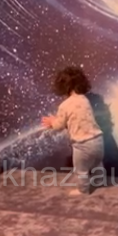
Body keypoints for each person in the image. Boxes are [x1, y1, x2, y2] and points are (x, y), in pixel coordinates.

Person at [42, 66, 104, 195]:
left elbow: (59, 125)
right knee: (97, 163)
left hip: (82, 145)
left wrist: (52, 121)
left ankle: (83, 190)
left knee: (81, 170)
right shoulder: (85, 100)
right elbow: (78, 119)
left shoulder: (64, 105)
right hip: (98, 140)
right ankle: (100, 180)